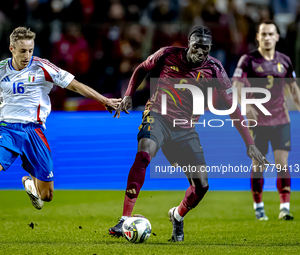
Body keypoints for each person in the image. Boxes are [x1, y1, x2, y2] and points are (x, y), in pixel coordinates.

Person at [0, 27, 121, 242]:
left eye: (30, 50)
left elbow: (75, 85)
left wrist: (104, 100)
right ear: (11, 49)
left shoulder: (42, 66)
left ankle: (30, 183)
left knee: (47, 196)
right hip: (6, 130)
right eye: (23, 51)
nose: (27, 56)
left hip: (34, 132)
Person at [109, 26, 268, 242]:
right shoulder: (167, 54)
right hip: (158, 116)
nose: (201, 51)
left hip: (185, 129)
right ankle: (124, 218)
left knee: (201, 186)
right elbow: (141, 68)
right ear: (188, 44)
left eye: (205, 48)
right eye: (197, 46)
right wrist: (128, 94)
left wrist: (249, 143)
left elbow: (233, 109)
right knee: (144, 155)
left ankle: (177, 215)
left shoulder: (215, 69)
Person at [233, 20, 300, 221]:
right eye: (263, 34)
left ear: (277, 37)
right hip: (258, 122)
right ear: (258, 37)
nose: (267, 38)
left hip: (281, 119)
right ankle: (258, 205)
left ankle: (284, 207)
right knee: (258, 165)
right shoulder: (248, 60)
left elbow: (294, 90)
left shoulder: (285, 61)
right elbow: (236, 85)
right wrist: (246, 105)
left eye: (271, 34)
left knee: (282, 163)